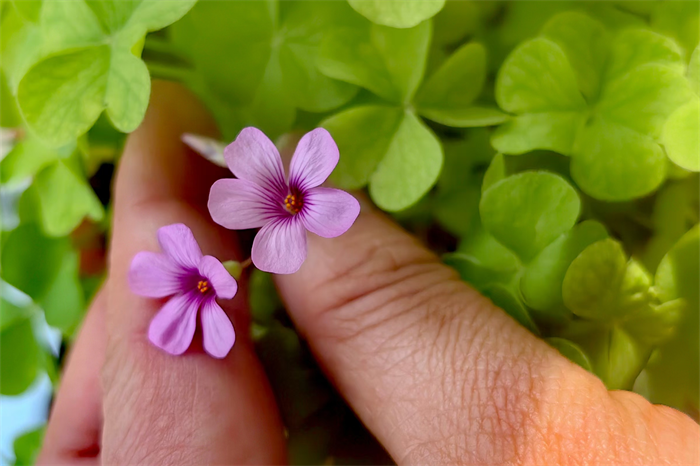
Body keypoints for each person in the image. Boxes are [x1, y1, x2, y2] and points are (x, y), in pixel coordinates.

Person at [37, 82, 700, 465]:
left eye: (294, 200)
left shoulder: (285, 211)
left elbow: (300, 205)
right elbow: (270, 233)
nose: (290, 205)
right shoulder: (239, 256)